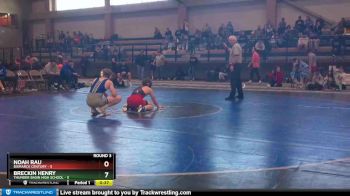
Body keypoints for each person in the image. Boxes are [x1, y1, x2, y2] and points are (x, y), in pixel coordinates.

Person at [223, 35, 244, 100]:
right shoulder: (235, 46)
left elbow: (236, 56)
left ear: (233, 40)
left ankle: (232, 95)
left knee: (233, 80)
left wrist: (232, 65)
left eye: (230, 40)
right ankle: (240, 94)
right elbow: (232, 52)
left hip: (235, 65)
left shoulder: (235, 46)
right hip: (237, 64)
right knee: (237, 80)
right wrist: (227, 48)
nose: (229, 42)